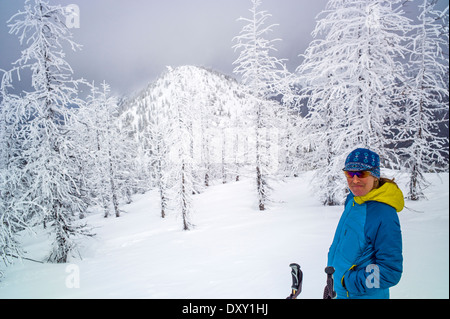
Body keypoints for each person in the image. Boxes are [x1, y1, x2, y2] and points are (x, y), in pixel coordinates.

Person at [326, 148, 404, 299]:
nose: (355, 180)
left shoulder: (383, 214)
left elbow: (390, 272)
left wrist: (348, 281)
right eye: (350, 173)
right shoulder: (353, 200)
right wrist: (334, 280)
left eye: (361, 173)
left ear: (375, 176)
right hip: (339, 292)